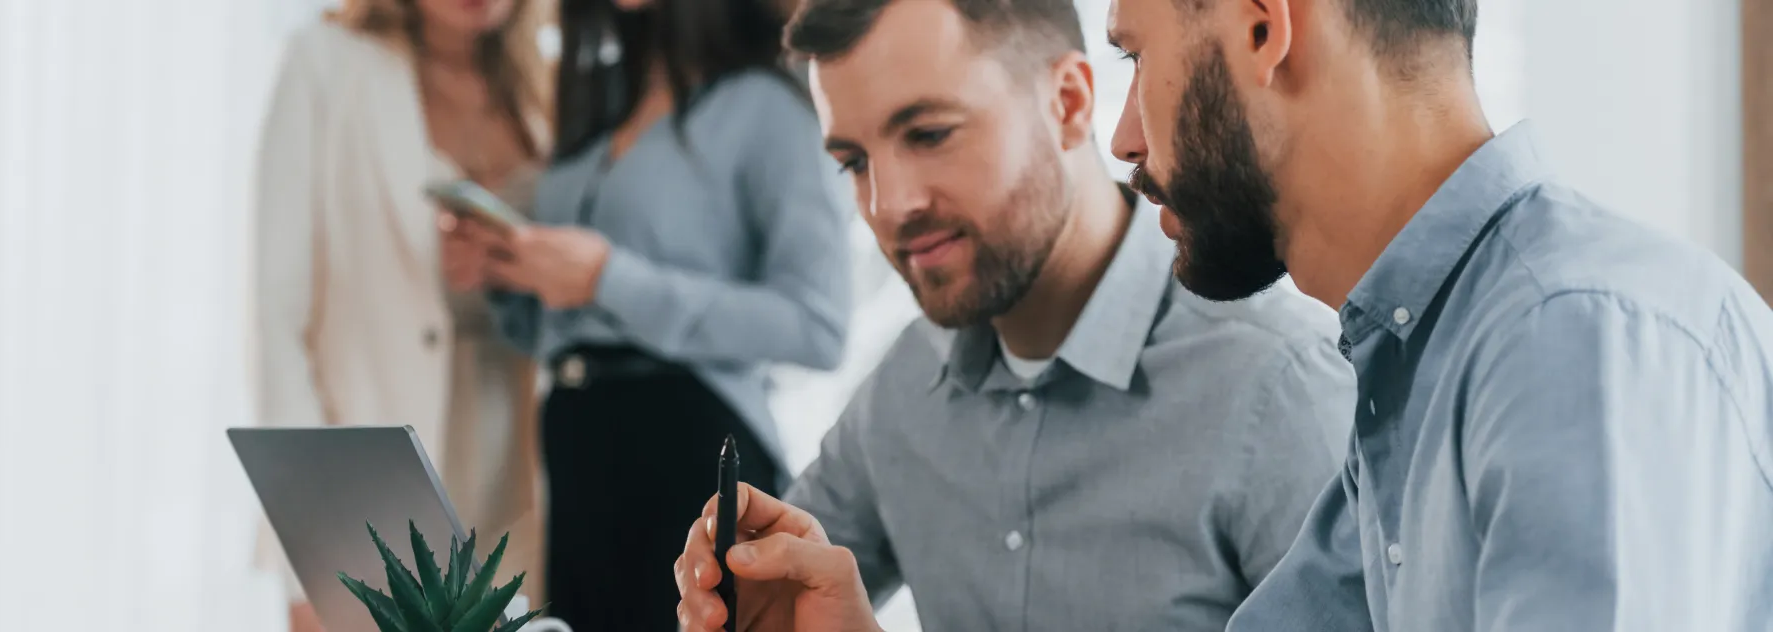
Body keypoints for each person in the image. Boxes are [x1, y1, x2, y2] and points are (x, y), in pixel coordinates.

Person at [675, 0, 1773, 628]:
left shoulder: (1569, 336)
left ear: (1262, 25)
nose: (1122, 141)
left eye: (1136, 56)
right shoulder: (1411, 367)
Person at [669, 0, 1358, 627]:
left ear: (1068, 103)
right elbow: (772, 597)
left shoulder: (1282, 389)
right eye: (853, 161)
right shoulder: (904, 390)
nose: (888, 205)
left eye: (929, 134)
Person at [435, 0, 854, 624]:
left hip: (686, 443)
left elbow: (816, 326)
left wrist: (609, 279)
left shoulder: (769, 106)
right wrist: (505, 274)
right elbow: (562, 327)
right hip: (575, 439)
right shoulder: (596, 103)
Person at [251, 0, 554, 629]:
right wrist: (312, 545)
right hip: (367, 491)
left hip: (516, 488)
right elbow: (275, 323)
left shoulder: (544, 87)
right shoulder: (326, 66)